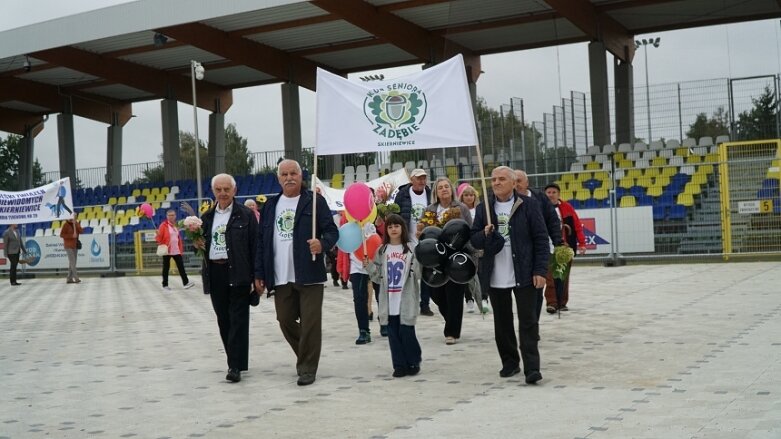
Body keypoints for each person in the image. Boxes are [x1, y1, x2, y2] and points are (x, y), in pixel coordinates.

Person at [255, 159, 339, 386]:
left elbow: (332, 231)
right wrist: (259, 273)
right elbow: (262, 242)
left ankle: (307, 368)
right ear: (278, 178)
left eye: (294, 173)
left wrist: (322, 244)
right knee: (284, 319)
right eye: (285, 174)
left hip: (309, 273)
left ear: (301, 176)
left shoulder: (314, 202)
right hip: (280, 275)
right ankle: (307, 352)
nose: (289, 177)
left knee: (311, 323)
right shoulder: (271, 206)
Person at [470, 166, 549, 384]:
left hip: (524, 272)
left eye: (501, 179)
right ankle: (510, 362)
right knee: (502, 323)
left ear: (514, 183)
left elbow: (541, 240)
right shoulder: (484, 208)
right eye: (493, 179)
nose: (496, 182)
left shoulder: (529, 205)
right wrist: (483, 234)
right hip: (495, 274)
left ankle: (532, 367)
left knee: (528, 321)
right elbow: (474, 239)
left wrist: (540, 270)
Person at [195, 173, 257, 383]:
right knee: (224, 320)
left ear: (234, 190)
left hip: (238, 271)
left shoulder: (246, 215)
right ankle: (235, 361)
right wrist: (197, 243)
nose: (222, 193)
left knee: (238, 320)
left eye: (226, 189)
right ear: (213, 192)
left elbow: (255, 247)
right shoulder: (207, 218)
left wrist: (257, 276)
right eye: (218, 190)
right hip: (215, 272)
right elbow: (201, 244)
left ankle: (234, 366)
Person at [368, 213, 422, 378]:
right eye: (390, 226)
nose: (393, 229)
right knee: (393, 334)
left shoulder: (411, 249)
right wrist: (369, 267)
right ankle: (399, 365)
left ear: (402, 228)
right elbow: (376, 276)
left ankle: (413, 361)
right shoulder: (382, 250)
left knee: (407, 331)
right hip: (388, 299)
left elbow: (419, 273)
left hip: (405, 297)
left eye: (396, 226)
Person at [421, 177, 473, 344]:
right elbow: (424, 231)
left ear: (451, 190)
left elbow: (469, 230)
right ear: (435, 192)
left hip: (456, 256)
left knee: (455, 295)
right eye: (440, 187)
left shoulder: (461, 208)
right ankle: (450, 318)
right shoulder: (429, 209)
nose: (444, 189)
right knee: (435, 292)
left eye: (446, 187)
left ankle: (452, 331)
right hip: (436, 258)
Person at [515, 170, 563, 320]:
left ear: (527, 183)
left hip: (540, 249)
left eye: (519, 181)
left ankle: (533, 322)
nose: (516, 185)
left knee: (537, 287)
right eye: (513, 181)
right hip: (519, 251)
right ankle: (527, 321)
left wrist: (558, 242)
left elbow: (553, 221)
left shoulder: (540, 198)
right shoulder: (507, 201)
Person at [392, 168, 434, 316]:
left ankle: (425, 304)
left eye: (424, 178)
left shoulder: (430, 194)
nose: (422, 181)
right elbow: (395, 216)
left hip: (426, 240)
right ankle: (409, 303)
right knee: (408, 275)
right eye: (419, 178)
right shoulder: (403, 195)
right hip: (408, 240)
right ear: (412, 180)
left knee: (426, 273)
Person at [543, 183, 586, 313]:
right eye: (548, 192)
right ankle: (552, 303)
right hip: (547, 246)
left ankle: (562, 302)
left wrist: (582, 243)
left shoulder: (567, 207)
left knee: (562, 275)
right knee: (550, 276)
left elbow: (577, 225)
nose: (551, 195)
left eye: (553, 192)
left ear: (559, 194)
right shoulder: (540, 208)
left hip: (565, 246)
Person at [458, 184, 483, 313]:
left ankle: (483, 297)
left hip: (477, 244)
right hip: (465, 245)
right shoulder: (459, 210)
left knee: (480, 272)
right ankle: (469, 299)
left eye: (471, 195)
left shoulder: (480, 209)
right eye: (466, 195)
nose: (469, 197)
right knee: (467, 272)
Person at [156, 209, 195, 291]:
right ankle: (165, 284)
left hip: (176, 250)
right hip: (167, 250)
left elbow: (178, 236)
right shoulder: (163, 225)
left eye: (173, 215)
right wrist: (159, 238)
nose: (171, 217)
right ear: (166, 216)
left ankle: (186, 283)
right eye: (169, 215)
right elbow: (158, 237)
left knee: (181, 267)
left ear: (175, 216)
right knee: (166, 267)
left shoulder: (176, 225)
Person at [60, 213, 83, 284]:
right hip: (68, 245)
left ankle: (69, 279)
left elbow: (81, 231)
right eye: (73, 216)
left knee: (72, 263)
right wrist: (71, 236)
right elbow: (61, 235)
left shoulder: (76, 223)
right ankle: (76, 278)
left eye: (75, 217)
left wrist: (76, 224)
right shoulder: (66, 224)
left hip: (75, 245)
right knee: (73, 262)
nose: (74, 218)